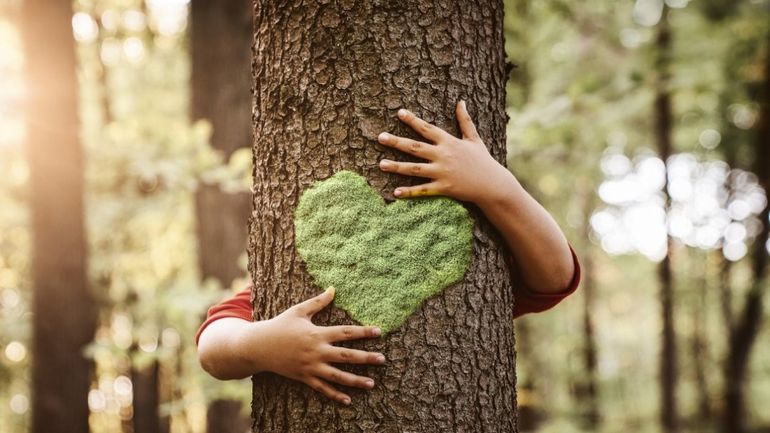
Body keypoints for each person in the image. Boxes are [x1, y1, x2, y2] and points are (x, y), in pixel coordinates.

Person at [196, 101, 582, 406]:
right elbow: (213, 345)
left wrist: (498, 188)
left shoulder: (484, 259)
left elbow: (556, 276)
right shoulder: (299, 276)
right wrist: (262, 345)